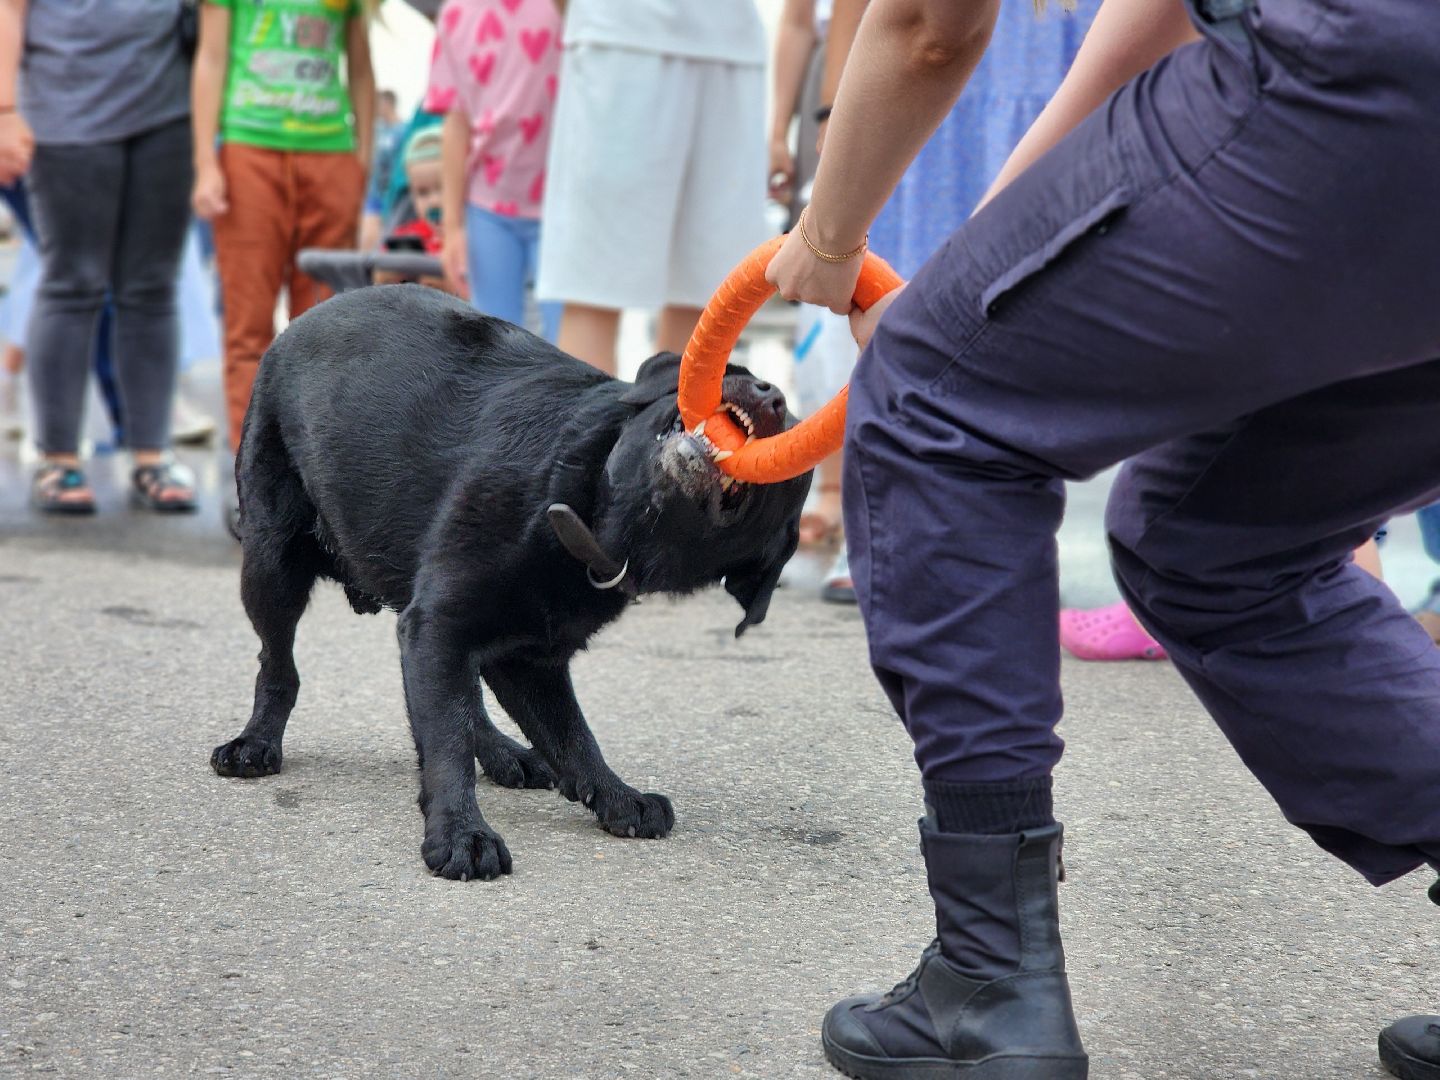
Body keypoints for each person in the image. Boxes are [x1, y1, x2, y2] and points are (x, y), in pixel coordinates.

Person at [766, 0, 1440, 1076]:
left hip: (1364, 80)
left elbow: (930, 23)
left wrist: (829, 238)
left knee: (930, 408)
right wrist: (983, 267)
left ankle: (992, 981)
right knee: (1217, 543)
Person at [5, 0, 197, 513]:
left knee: (152, 287)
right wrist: (4, 111)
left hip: (168, 110)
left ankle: (152, 455)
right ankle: (59, 459)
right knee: (72, 282)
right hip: (66, 113)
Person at [191, 0, 375, 497]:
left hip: (329, 156)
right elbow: (210, 58)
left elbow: (360, 69)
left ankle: (316, 487)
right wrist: (206, 164)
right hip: (249, 153)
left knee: (326, 335)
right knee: (247, 329)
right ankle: (256, 487)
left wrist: (360, 163)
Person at [536, 0, 769, 374]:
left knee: (707, 296)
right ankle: (583, 433)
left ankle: (680, 431)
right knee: (593, 290)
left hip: (729, 44)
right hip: (619, 35)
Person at [428, 0, 562, 339]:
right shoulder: (455, 14)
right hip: (487, 208)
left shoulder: (564, 8)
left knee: (572, 344)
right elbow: (455, 126)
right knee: (495, 344)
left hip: (563, 205)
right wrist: (452, 227)